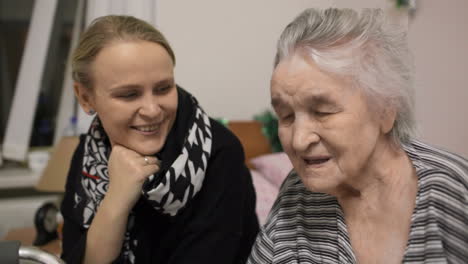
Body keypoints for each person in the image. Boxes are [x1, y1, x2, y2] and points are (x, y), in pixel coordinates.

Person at [248, 8, 468, 264]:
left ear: (386, 110)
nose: (298, 140)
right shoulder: (297, 195)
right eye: (286, 116)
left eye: (322, 111)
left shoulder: (452, 189)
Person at [60, 15, 259, 264]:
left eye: (164, 88)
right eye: (129, 94)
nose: (152, 110)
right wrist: (116, 199)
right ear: (85, 97)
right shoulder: (90, 154)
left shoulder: (218, 154)